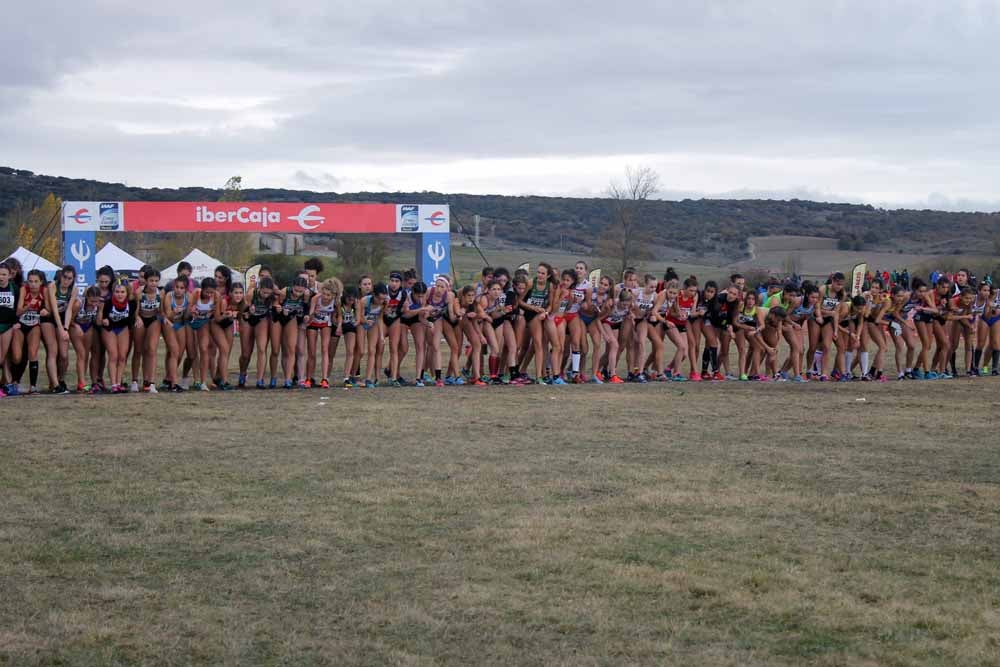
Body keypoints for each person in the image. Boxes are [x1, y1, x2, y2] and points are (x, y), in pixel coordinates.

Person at [100, 281, 135, 393]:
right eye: (117, 292)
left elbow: (132, 317)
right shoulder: (108, 303)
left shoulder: (131, 303)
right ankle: (113, 384)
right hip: (109, 328)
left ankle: (119, 383)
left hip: (122, 328)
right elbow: (100, 318)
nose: (120, 294)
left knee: (122, 357)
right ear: (113, 292)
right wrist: (103, 319)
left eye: (122, 292)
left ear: (127, 293)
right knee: (113, 355)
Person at [133, 269, 163, 393]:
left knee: (151, 349)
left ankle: (151, 382)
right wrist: (137, 318)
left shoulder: (160, 293)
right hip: (141, 318)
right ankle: (134, 381)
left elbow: (161, 312)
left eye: (156, 281)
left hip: (153, 320)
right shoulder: (139, 292)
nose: (154, 283)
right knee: (138, 350)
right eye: (151, 281)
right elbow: (135, 311)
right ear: (146, 281)